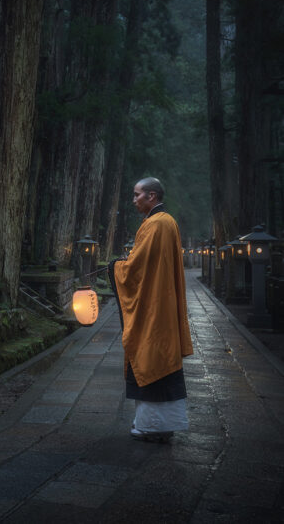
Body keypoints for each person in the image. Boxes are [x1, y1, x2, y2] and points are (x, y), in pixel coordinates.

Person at [108, 177, 193, 442]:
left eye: (137, 195)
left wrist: (115, 267)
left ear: (152, 196)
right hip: (162, 303)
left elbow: (136, 268)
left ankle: (150, 427)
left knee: (148, 355)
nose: (134, 200)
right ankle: (161, 425)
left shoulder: (155, 225)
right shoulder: (167, 222)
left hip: (153, 310)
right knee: (162, 357)